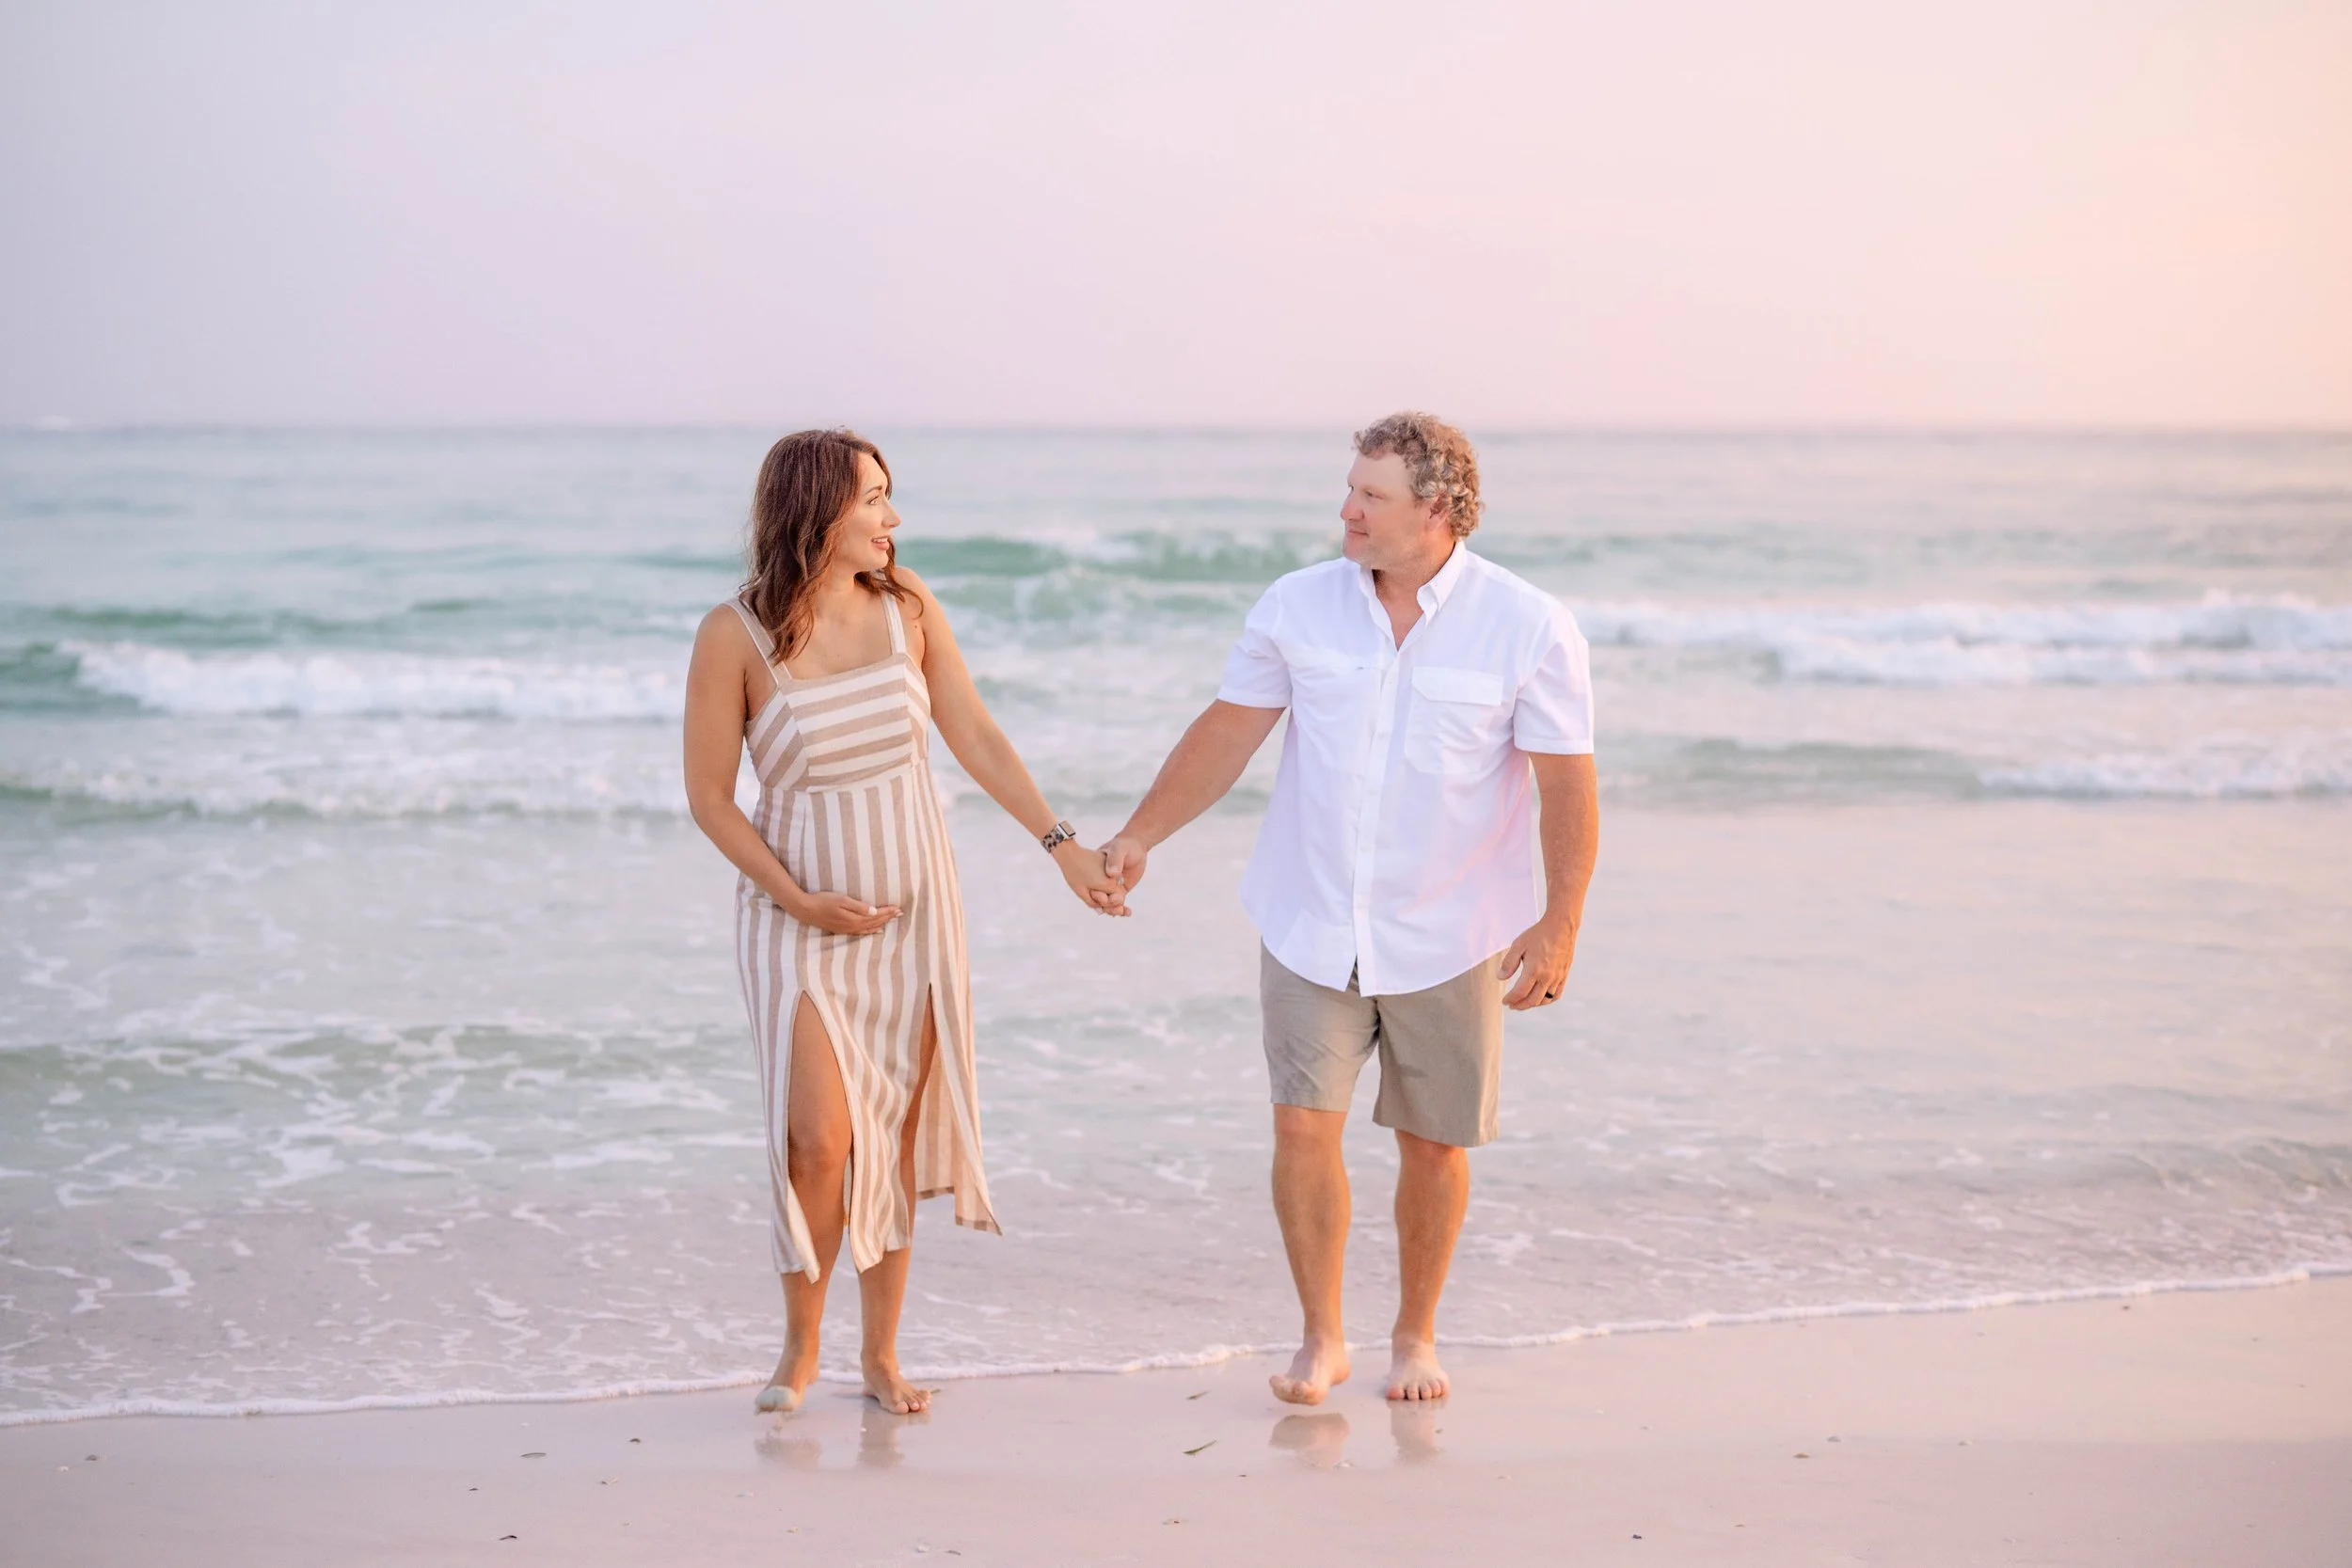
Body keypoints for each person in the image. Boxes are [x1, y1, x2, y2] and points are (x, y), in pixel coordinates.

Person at [1099, 412, 1598, 1405]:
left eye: (1370, 496)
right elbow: (1229, 731)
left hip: (1449, 929)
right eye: (1349, 488)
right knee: (1300, 1127)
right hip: (1309, 916)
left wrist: (1560, 920)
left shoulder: (1527, 623)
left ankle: (1414, 1333)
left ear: (1438, 511)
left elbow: (1567, 784)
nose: (1347, 510)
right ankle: (1321, 1335)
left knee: (1434, 1143)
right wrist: (1140, 833)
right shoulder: (1297, 605)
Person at [683, 429, 1122, 1416]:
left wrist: (1064, 848)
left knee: (893, 1136)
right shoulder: (734, 635)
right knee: (818, 1142)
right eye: (873, 499)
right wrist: (797, 897)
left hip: (916, 915)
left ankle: (879, 1356)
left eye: (890, 496)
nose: (892, 518)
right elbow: (711, 796)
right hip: (795, 921)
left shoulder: (907, 606)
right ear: (814, 511)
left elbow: (972, 731)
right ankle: (800, 1349)